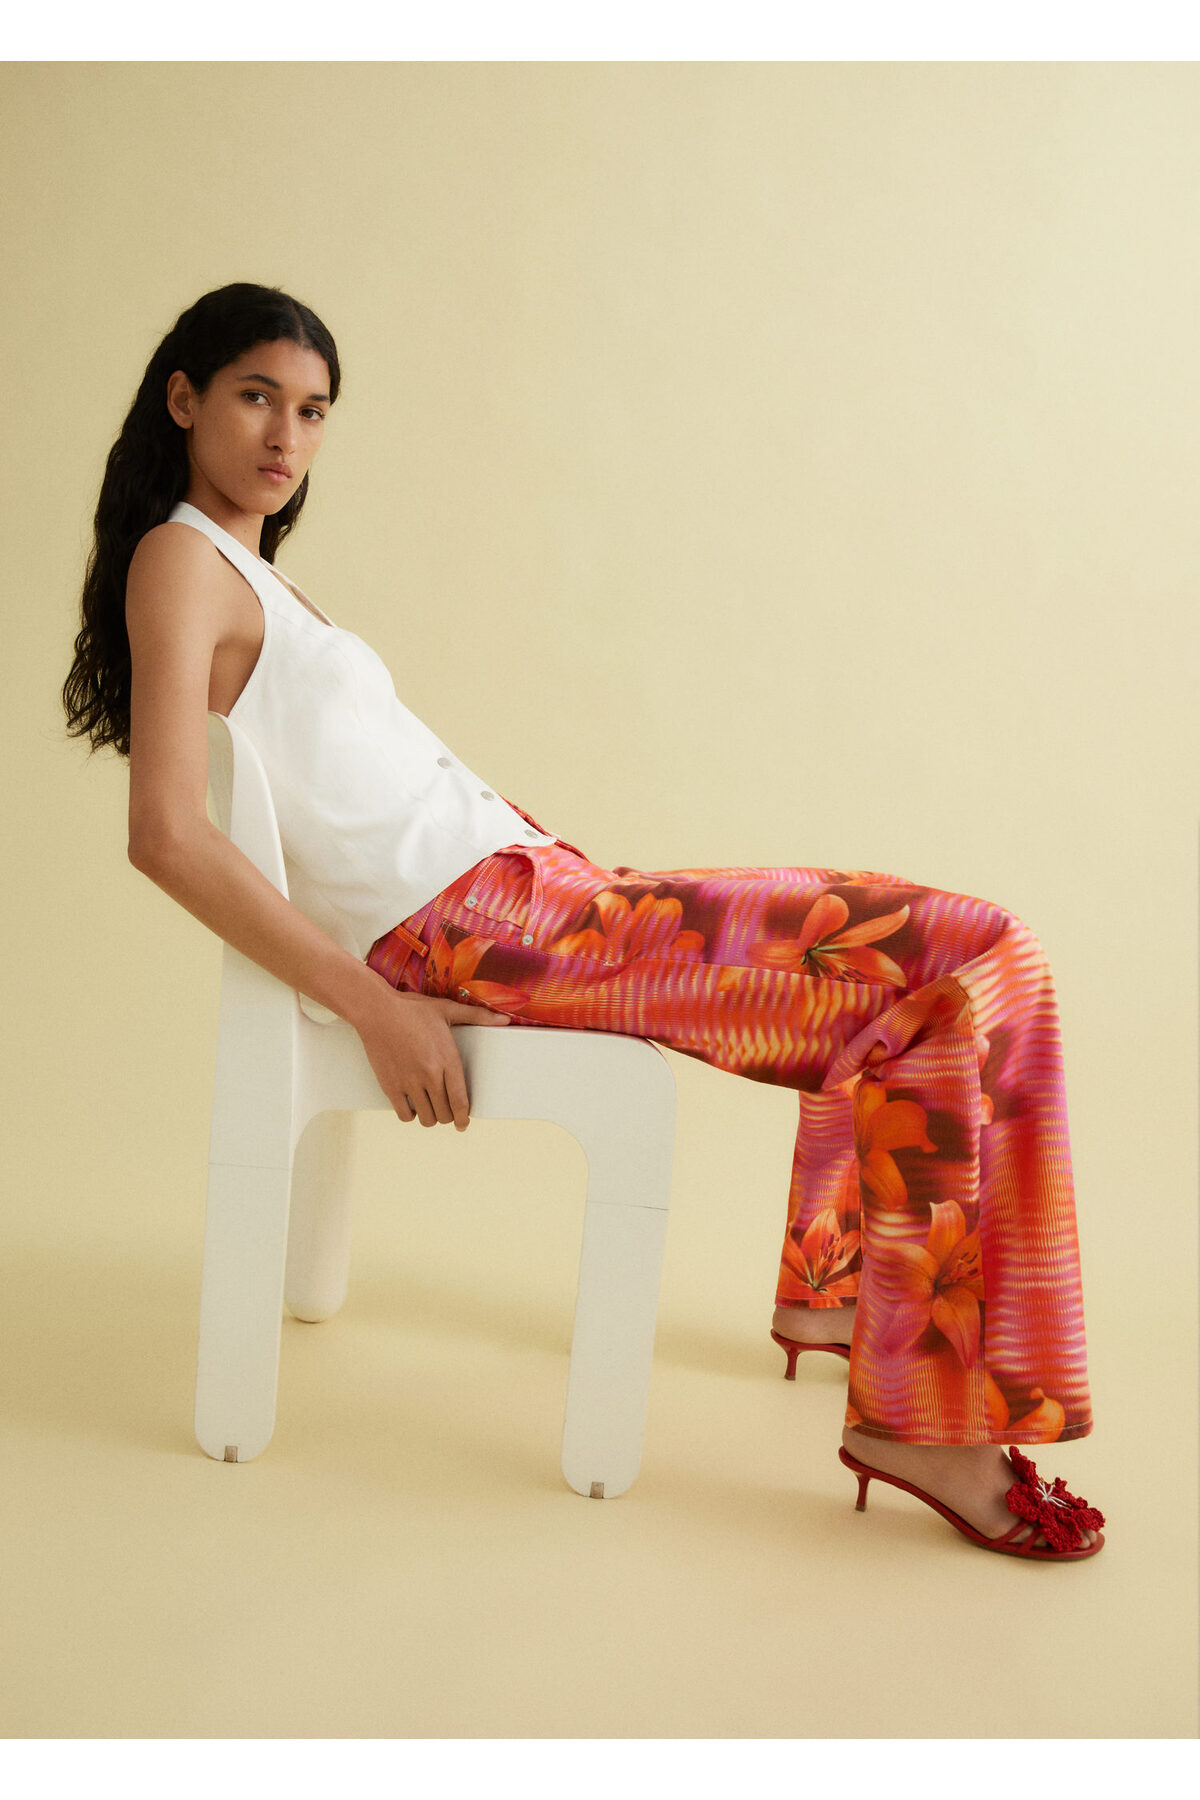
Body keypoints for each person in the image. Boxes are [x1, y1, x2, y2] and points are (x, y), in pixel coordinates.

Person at [62, 281, 1105, 1561]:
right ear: (184, 399)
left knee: (943, 972)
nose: (287, 435)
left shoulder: (251, 576)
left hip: (545, 903)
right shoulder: (180, 560)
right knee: (974, 952)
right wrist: (372, 1005)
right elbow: (166, 833)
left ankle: (848, 1310)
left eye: (315, 410)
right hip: (495, 931)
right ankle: (921, 1414)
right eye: (256, 397)